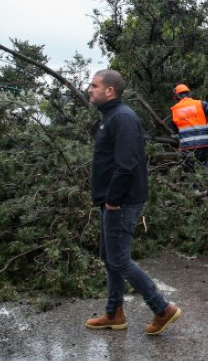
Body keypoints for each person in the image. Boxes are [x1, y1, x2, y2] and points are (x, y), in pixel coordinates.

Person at [85, 69, 181, 336]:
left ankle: (162, 309)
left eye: (94, 85)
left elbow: (126, 165)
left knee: (120, 260)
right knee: (109, 258)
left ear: (110, 91)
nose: (89, 89)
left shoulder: (123, 118)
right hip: (110, 201)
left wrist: (113, 201)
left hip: (120, 202)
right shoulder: (110, 117)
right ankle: (114, 312)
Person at [169, 83, 208, 178]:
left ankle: (196, 191)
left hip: (187, 146)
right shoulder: (200, 104)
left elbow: (175, 131)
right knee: (202, 161)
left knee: (191, 168)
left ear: (177, 97)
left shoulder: (175, 110)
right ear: (189, 94)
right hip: (204, 143)